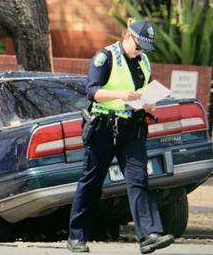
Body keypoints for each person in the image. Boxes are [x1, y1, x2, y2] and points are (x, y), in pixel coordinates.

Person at [66, 19, 175, 254]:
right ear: (128, 37)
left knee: (139, 181)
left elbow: (143, 93)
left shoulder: (144, 61)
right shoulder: (105, 57)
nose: (141, 51)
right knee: (91, 182)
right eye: (139, 45)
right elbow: (92, 91)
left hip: (132, 130)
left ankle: (149, 235)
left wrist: (148, 104)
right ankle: (77, 237)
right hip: (104, 129)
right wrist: (122, 95)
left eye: (145, 47)